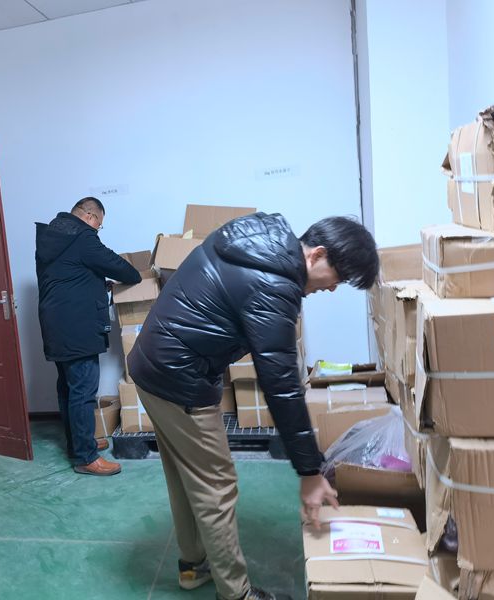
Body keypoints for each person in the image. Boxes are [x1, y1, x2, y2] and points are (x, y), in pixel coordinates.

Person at [128, 212, 379, 600]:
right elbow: (281, 385)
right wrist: (309, 471)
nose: (332, 288)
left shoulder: (260, 237)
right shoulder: (274, 285)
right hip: (178, 377)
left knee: (185, 473)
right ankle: (236, 594)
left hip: (152, 364)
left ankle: (194, 565)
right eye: (338, 278)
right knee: (216, 486)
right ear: (317, 254)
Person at [35, 197, 141, 476]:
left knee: (68, 388)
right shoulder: (83, 236)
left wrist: (95, 283)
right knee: (83, 390)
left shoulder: (51, 235)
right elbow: (126, 271)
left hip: (55, 323)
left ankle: (78, 444)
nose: (97, 230)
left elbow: (66, 276)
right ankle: (86, 457)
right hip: (77, 326)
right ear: (91, 217)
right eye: (99, 225)